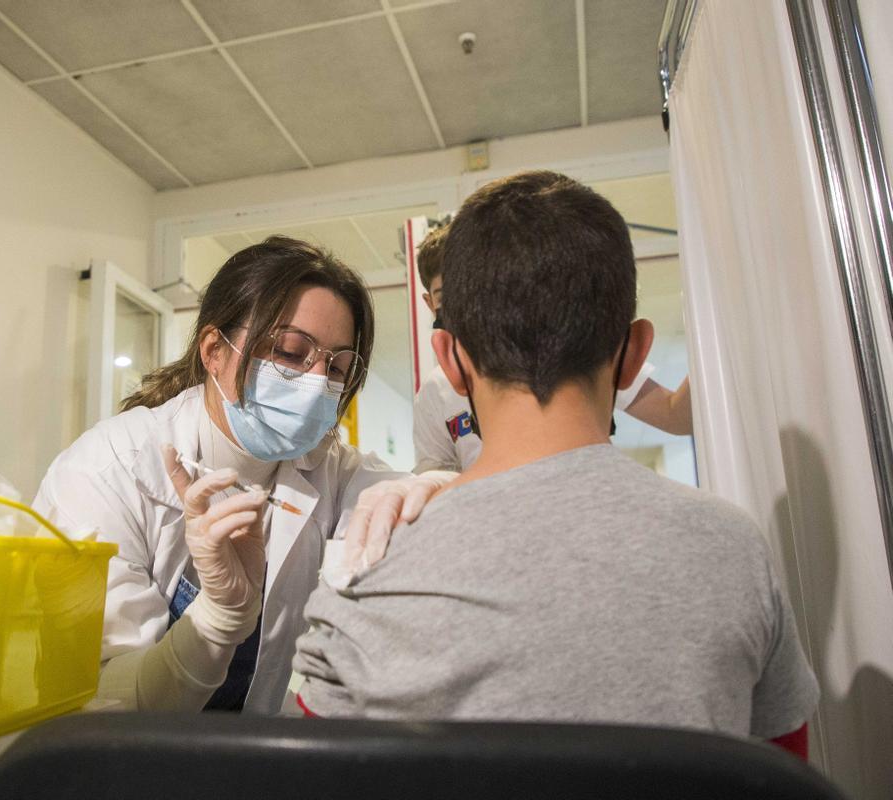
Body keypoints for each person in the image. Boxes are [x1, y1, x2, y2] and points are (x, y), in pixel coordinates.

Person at [293, 172, 819, 758]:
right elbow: (784, 771)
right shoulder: (735, 549)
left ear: (452, 361)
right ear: (634, 352)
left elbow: (308, 774)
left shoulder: (367, 575)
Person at [33, 236, 449, 714]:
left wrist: (441, 484)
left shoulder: (326, 468)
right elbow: (104, 700)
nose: (317, 385)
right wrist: (217, 618)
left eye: (336, 367)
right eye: (291, 353)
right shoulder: (107, 471)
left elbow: (416, 499)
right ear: (214, 350)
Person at [411, 222, 693, 474]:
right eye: (448, 301)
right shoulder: (436, 392)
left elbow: (674, 414)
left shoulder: (559, 347)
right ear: (430, 304)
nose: (465, 313)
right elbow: (435, 479)